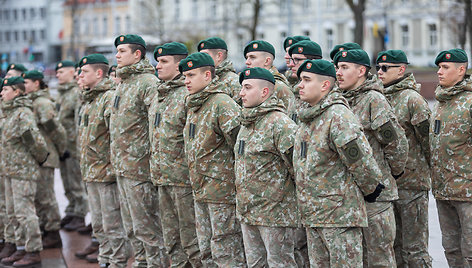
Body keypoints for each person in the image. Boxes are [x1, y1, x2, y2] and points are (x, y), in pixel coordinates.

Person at [294, 58, 385, 267]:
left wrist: (371, 191)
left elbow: (361, 162)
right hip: (314, 215)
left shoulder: (338, 116)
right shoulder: (309, 116)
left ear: (325, 85)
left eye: (307, 80)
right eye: (301, 80)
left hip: (339, 218)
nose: (300, 85)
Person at [334, 49, 408, 267]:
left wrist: (389, 174)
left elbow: (396, 144)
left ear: (361, 71)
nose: (338, 72)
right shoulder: (340, 101)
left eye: (344, 67)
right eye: (338, 67)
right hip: (350, 195)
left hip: (377, 196)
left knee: (379, 257)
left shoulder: (374, 100)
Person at [180, 52, 246, 266]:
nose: (186, 81)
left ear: (207, 75)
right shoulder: (195, 104)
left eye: (191, 75)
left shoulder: (222, 104)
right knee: (206, 249)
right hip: (201, 189)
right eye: (184, 76)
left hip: (221, 193)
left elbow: (240, 147)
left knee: (225, 249)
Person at [110, 34, 167, 267]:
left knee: (148, 227)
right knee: (132, 226)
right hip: (123, 165)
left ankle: (156, 264)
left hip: (140, 168)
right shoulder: (124, 82)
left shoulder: (148, 83)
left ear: (137, 54)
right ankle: (142, 262)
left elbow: (156, 126)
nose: (116, 55)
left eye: (122, 51)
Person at [236, 67, 298, 267]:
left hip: (274, 214)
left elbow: (297, 167)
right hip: (249, 211)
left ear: (264, 92)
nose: (241, 93)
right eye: (241, 88)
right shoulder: (247, 122)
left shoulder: (280, 124)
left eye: (247, 87)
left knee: (280, 263)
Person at [376, 50, 433, 267]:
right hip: (389, 186)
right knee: (394, 247)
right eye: (378, 68)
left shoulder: (413, 100)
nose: (380, 72)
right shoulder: (378, 98)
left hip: (412, 186)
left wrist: (429, 177)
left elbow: (428, 143)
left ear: (401, 69)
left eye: (385, 68)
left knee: (414, 249)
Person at [150, 42, 202, 267]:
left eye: (164, 62)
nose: (158, 66)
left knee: (192, 240)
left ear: (179, 65)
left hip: (183, 181)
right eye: (158, 61)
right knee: (172, 239)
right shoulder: (160, 94)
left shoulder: (187, 95)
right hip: (163, 178)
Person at [77, 53, 130, 268]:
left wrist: (111, 166)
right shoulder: (90, 100)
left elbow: (118, 137)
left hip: (106, 173)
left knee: (112, 225)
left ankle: (116, 262)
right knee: (98, 225)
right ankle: (105, 260)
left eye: (84, 71)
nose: (80, 75)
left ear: (99, 73)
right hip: (91, 172)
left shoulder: (109, 97)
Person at [0, 76, 49, 267]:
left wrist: (39, 159)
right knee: (12, 212)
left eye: (5, 90)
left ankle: (33, 250)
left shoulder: (23, 113)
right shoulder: (8, 113)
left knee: (24, 212)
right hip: (9, 170)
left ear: (17, 92)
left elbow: (35, 142)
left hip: (22, 171)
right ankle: (20, 247)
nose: (2, 93)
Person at [430, 48, 472, 267]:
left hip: (467, 192)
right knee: (451, 249)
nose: (439, 72)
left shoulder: (470, 101)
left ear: (461, 70)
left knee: (470, 251)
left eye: (445, 67)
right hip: (443, 190)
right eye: (439, 67)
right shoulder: (442, 100)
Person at [23, 70, 67, 249]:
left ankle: (53, 231)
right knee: (38, 196)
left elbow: (55, 129)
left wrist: (61, 150)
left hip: (46, 156)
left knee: (46, 196)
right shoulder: (30, 101)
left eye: (26, 82)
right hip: (36, 156)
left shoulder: (41, 103)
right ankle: (44, 228)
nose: (23, 86)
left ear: (36, 83)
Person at [55, 60, 88, 230]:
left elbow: (78, 121)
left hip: (74, 146)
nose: (58, 75)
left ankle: (80, 214)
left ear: (72, 72)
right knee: (67, 182)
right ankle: (72, 210)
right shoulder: (61, 93)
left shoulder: (75, 92)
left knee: (76, 182)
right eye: (57, 72)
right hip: (63, 145)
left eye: (62, 72)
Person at [244, 40, 296, 114]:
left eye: (252, 57)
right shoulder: (247, 84)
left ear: (267, 61)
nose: (247, 62)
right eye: (247, 58)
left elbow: (290, 118)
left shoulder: (278, 87)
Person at [286, 40, 323, 123]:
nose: (291, 64)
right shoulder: (296, 91)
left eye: (297, 59)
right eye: (292, 59)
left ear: (312, 62)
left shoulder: (321, 93)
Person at [198, 37, 241, 104]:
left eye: (205, 55)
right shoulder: (201, 80)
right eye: (200, 56)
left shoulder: (234, 82)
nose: (201, 59)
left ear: (219, 56)